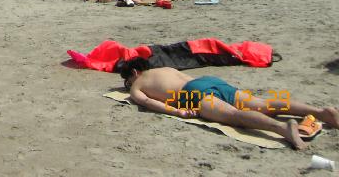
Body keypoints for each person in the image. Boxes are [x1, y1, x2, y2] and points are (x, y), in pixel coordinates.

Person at [119, 57, 339, 150]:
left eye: (127, 82)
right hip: (209, 80)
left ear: (135, 73)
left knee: (235, 116)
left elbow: (149, 102)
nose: (129, 87)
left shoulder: (138, 85)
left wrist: (178, 111)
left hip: (190, 94)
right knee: (263, 103)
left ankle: (283, 129)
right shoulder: (165, 69)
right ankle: (321, 112)